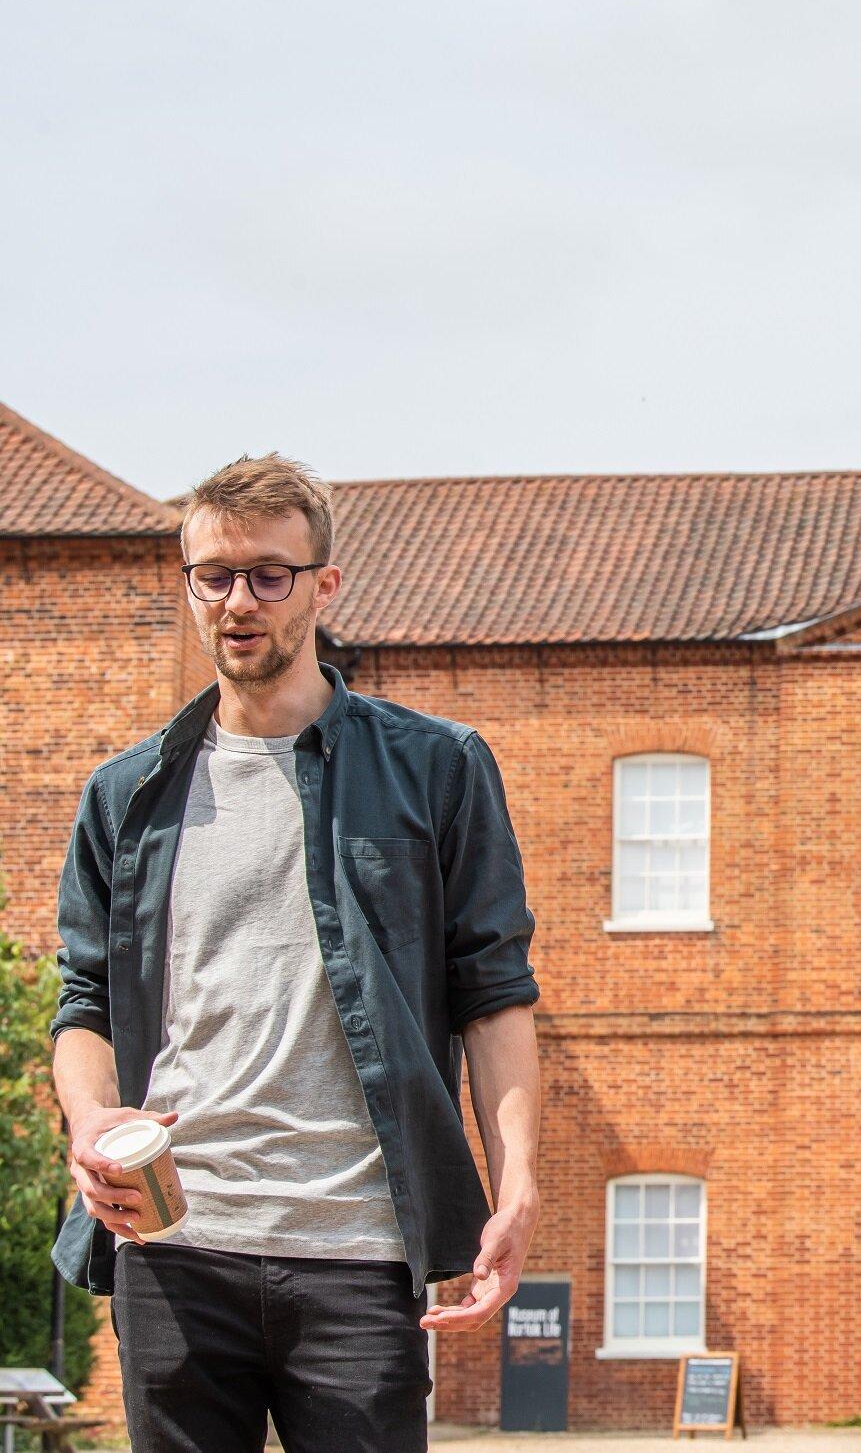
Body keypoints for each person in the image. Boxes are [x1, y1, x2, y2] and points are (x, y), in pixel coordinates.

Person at [49, 456, 542, 1453]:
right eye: (214, 575)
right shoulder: (125, 796)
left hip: (355, 1249)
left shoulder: (437, 768)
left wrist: (518, 1179)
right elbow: (85, 1004)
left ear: (325, 585)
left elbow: (493, 993)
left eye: (270, 574)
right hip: (175, 1244)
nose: (240, 600)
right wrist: (93, 1117)